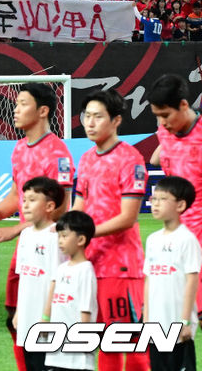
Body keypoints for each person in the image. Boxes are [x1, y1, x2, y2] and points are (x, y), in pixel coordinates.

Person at [0, 82, 73, 371]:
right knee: (14, 317)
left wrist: (14, 230)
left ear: (43, 110)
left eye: (23, 103)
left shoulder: (58, 153)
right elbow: (14, 198)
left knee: (48, 320)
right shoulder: (20, 148)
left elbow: (59, 209)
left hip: (50, 249)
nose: (15, 109)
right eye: (16, 103)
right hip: (26, 246)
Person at [72, 89, 148, 371]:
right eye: (86, 116)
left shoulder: (130, 158)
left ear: (116, 120)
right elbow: (79, 206)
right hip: (90, 263)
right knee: (103, 342)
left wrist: (85, 235)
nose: (90, 123)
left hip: (121, 266)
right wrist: (67, 233)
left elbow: (128, 217)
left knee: (131, 345)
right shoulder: (87, 157)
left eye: (97, 117)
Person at [148, 74, 202, 313]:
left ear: (183, 105)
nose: (162, 123)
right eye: (157, 117)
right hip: (175, 236)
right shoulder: (164, 132)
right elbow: (156, 158)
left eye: (166, 115)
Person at [144, 176, 200, 371]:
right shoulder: (152, 240)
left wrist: (185, 321)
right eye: (154, 199)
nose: (155, 204)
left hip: (179, 328)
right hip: (156, 328)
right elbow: (149, 280)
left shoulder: (187, 239)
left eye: (162, 199)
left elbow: (192, 280)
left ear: (181, 205)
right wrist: (146, 319)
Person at [14, 177, 67, 371]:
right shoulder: (26, 235)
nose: (25, 204)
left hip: (47, 321)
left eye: (32, 200)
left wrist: (46, 318)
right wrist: (20, 312)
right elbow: (23, 276)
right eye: (24, 199)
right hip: (27, 318)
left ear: (50, 206)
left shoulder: (55, 237)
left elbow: (57, 280)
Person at [44, 211, 98, 371]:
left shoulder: (86, 271)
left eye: (65, 236)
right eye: (59, 236)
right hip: (56, 352)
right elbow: (53, 299)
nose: (60, 241)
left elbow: (86, 309)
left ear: (81, 239)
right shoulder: (61, 269)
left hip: (77, 358)